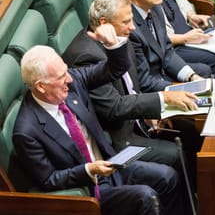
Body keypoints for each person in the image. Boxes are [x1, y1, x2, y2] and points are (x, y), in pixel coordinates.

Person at [13, 37, 183, 215]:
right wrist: (88, 170)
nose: (69, 79)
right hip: (88, 188)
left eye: (66, 71)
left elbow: (114, 69)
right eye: (61, 76)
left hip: (110, 166)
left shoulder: (72, 83)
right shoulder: (26, 131)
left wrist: (112, 44)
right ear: (40, 86)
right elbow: (48, 180)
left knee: (168, 177)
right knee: (145, 196)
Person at [123, 0, 212, 93]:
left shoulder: (155, 8)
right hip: (149, 88)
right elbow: (143, 81)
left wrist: (191, 77)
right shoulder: (127, 26)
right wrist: (178, 90)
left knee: (203, 73)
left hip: (162, 71)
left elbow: (167, 52)